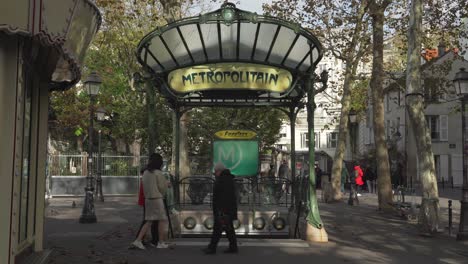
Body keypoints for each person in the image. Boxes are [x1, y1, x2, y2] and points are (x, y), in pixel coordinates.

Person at [131, 153, 170, 250]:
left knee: (149, 221)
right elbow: (162, 188)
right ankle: (160, 242)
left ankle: (138, 240)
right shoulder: (158, 173)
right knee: (162, 220)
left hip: (148, 199)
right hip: (157, 199)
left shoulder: (145, 172)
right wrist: (167, 184)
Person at [203, 162, 238, 254]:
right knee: (228, 229)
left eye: (215, 171)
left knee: (218, 229)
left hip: (223, 210)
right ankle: (233, 247)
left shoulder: (223, 180)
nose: (215, 173)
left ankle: (212, 248)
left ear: (219, 171)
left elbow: (223, 197)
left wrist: (220, 210)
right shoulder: (227, 179)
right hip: (227, 209)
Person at [133, 168, 159, 248]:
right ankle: (141, 239)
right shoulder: (146, 179)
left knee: (149, 220)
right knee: (149, 221)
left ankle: (142, 239)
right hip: (149, 201)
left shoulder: (144, 179)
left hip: (147, 201)